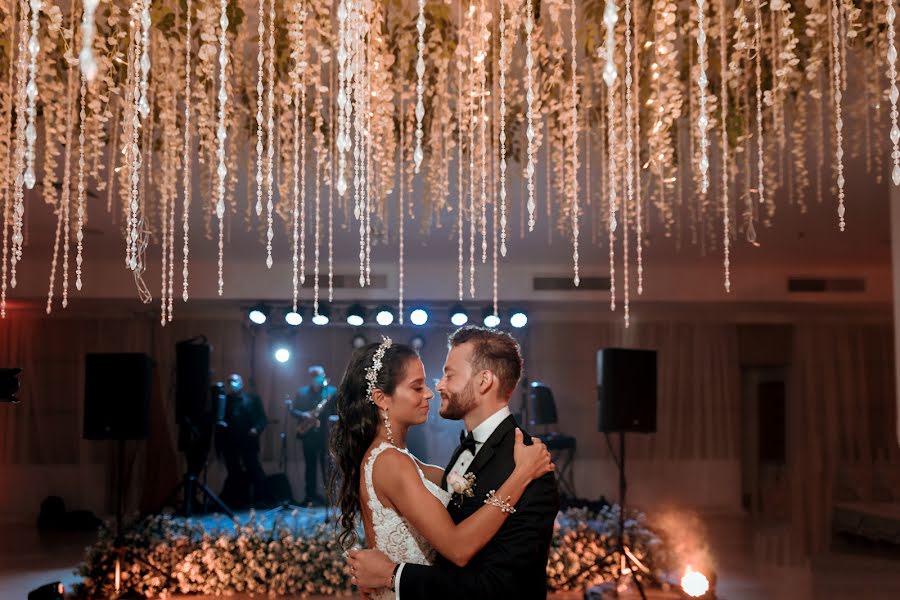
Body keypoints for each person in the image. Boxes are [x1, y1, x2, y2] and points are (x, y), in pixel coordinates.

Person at [336, 328, 559, 600]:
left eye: (449, 375)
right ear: (381, 399)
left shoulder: (527, 462)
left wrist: (391, 575)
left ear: (484, 381)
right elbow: (456, 548)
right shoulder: (393, 460)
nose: (436, 388)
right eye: (418, 387)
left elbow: (506, 587)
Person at [219, 373, 267, 507]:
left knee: (254, 468)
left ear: (242, 382)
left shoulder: (252, 399)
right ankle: (237, 500)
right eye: (230, 382)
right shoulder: (225, 401)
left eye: (235, 381)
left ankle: (260, 500)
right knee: (234, 471)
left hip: (249, 441)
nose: (233, 384)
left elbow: (262, 418)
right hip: (230, 442)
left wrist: (256, 429)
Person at [291, 365, 337, 505]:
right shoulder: (302, 392)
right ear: (309, 377)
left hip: (326, 434)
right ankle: (310, 497)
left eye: (319, 375)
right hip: (309, 435)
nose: (316, 378)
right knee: (310, 467)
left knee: (327, 468)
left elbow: (339, 409)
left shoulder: (332, 391)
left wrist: (335, 417)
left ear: (323, 375)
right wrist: (303, 414)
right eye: (313, 376)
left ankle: (330, 498)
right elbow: (293, 410)